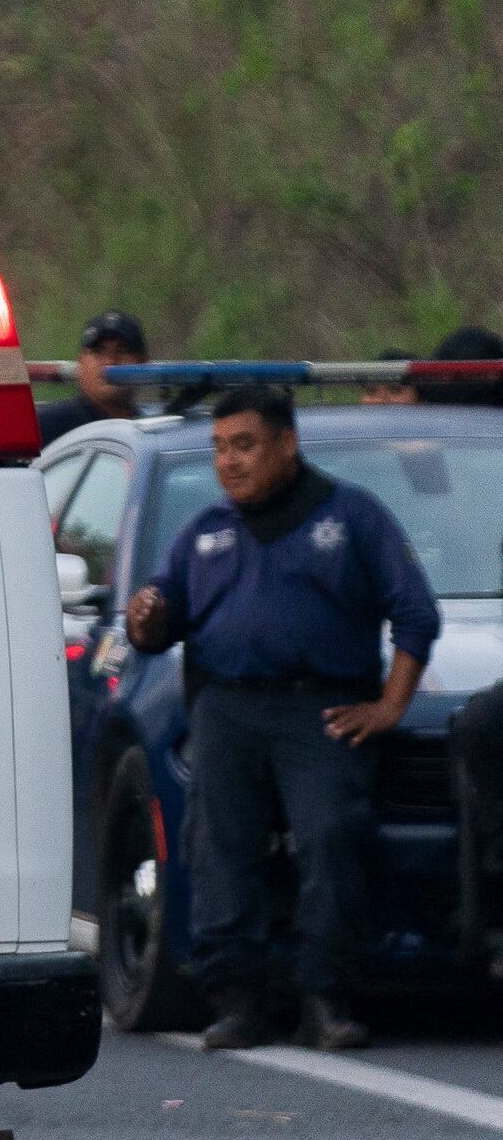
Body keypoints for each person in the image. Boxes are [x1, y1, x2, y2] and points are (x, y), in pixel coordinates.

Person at [123, 385, 441, 1052]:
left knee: (332, 835)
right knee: (218, 845)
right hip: (227, 707)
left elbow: (416, 612)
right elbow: (156, 619)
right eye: (219, 448)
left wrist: (391, 705)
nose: (229, 462)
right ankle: (236, 1000)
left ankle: (324, 997)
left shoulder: (352, 516)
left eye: (244, 444)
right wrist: (145, 615)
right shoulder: (205, 530)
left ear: (286, 443)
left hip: (318, 705)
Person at [33, 309, 159, 440]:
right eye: (98, 352)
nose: (110, 362)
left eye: (122, 351)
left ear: (143, 363)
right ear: (81, 362)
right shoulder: (45, 427)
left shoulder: (157, 430)